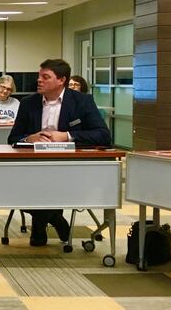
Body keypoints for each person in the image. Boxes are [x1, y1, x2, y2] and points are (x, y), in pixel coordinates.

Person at [8, 59, 111, 247]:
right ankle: (56, 218)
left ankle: (39, 229)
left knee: (44, 186)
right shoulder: (28, 103)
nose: (39, 80)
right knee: (24, 187)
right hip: (32, 166)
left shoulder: (82, 101)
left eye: (45, 77)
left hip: (68, 167)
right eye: (38, 76)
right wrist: (29, 138)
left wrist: (67, 136)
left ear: (61, 80)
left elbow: (103, 135)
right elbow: (13, 138)